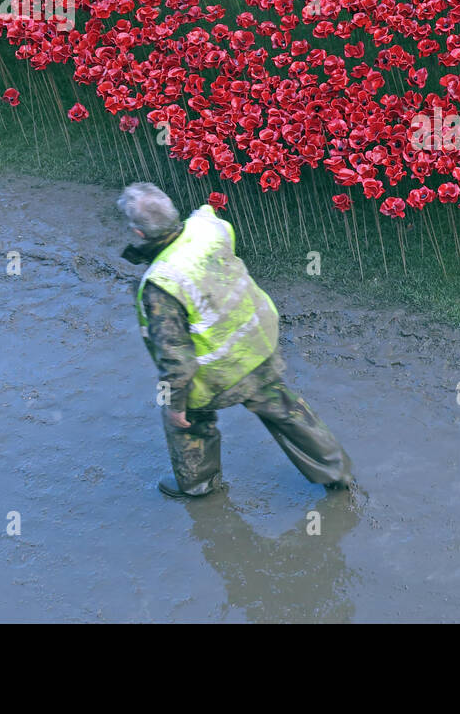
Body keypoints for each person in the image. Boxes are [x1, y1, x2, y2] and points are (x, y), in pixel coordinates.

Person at [116, 182, 354, 498]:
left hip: (217, 370)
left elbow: (175, 357)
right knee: (283, 407)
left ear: (139, 233)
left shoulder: (161, 284)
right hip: (256, 342)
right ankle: (336, 470)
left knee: (188, 422)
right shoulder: (208, 226)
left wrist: (174, 405)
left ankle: (198, 484)